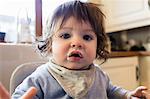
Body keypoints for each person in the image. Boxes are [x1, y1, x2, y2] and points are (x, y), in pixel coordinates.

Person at [1, 1, 150, 99]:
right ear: (50, 44)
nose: (77, 43)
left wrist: (127, 95)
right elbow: (23, 95)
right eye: (65, 35)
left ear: (97, 46)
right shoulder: (41, 78)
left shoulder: (98, 74)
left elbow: (111, 90)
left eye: (87, 37)